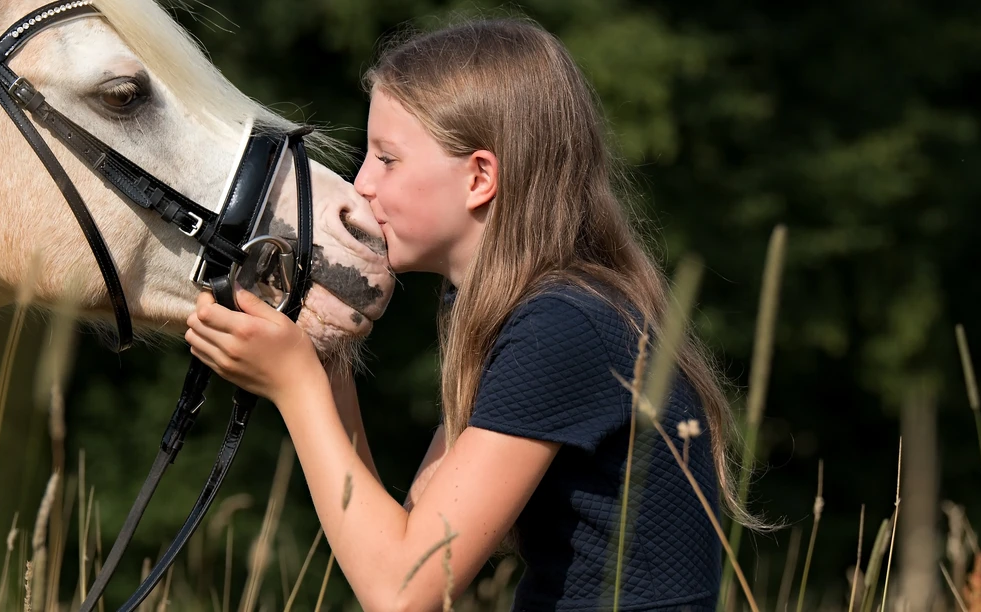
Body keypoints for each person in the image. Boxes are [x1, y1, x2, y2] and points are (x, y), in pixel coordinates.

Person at [185, 17, 751, 612]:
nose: (361, 184)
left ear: (480, 177)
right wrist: (325, 366)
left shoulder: (562, 327)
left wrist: (296, 389)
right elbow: (396, 545)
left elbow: (404, 591)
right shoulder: (550, 312)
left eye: (387, 159)